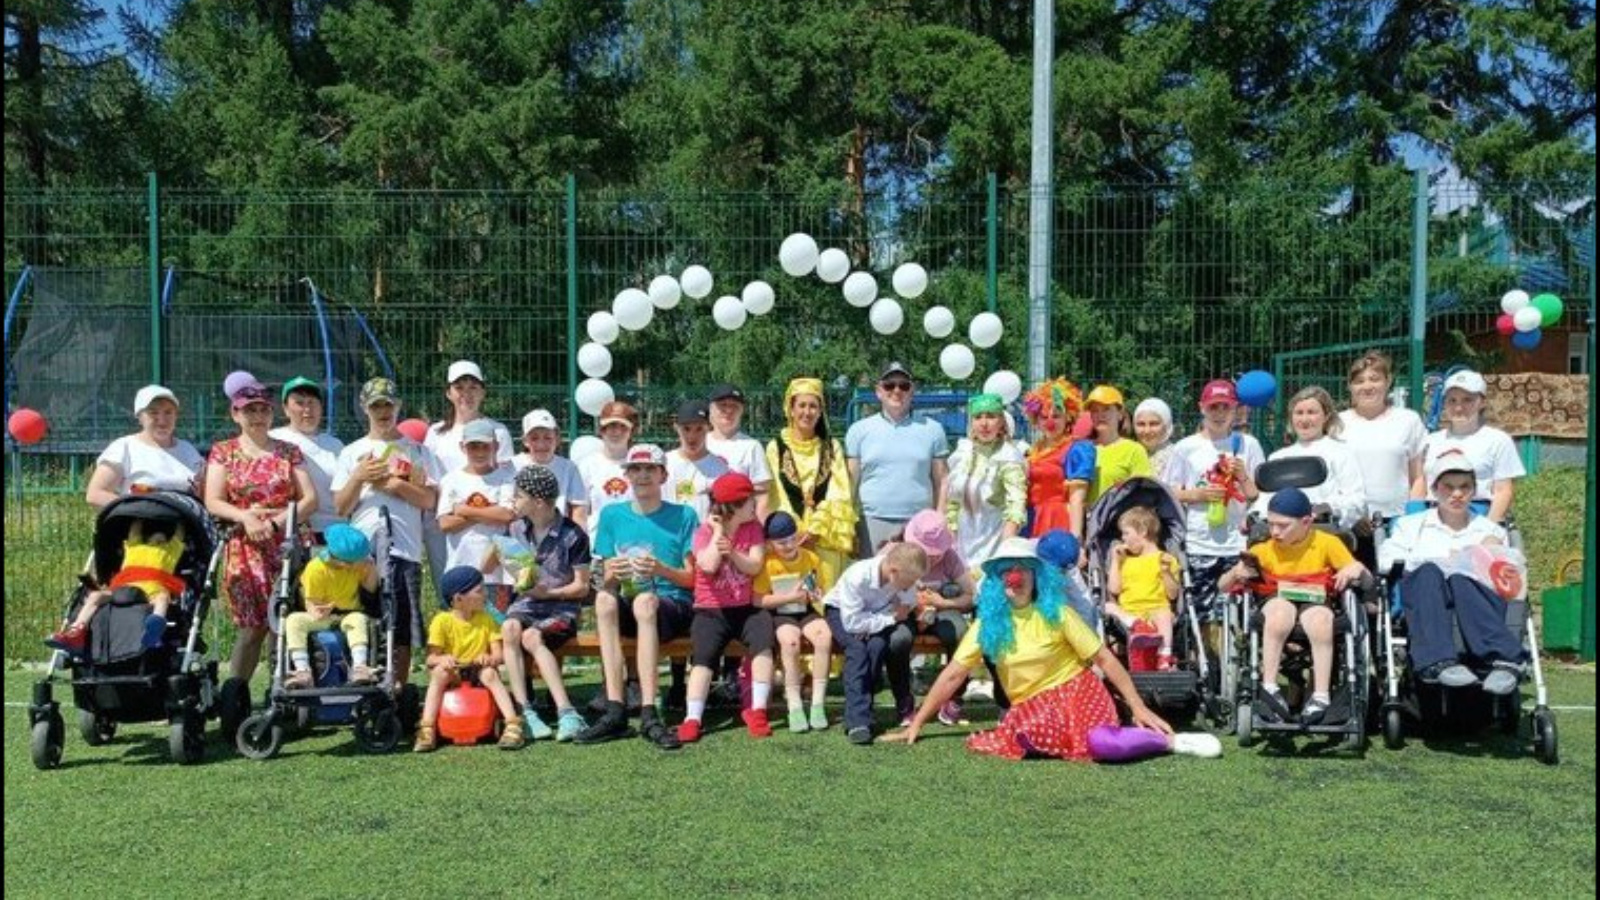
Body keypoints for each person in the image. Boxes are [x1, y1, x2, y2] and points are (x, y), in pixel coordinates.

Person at [883, 538, 1221, 762]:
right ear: (997, 580)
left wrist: (1138, 706)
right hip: (1031, 706)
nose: (1014, 579)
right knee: (1025, 737)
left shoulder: (1058, 613)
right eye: (1005, 573)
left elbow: (1103, 657)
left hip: (1077, 690)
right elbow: (953, 674)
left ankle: (1173, 742)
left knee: (1102, 745)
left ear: (1034, 577)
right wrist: (918, 724)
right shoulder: (986, 623)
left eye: (1021, 571)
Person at [574, 444, 697, 749]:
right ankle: (615, 709)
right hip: (633, 606)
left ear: (663, 475)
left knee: (645, 602)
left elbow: (693, 579)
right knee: (604, 600)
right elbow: (602, 581)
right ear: (627, 475)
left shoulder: (684, 514)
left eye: (650, 469)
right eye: (636, 470)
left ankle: (649, 713)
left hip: (672, 607)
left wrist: (661, 569)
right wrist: (612, 572)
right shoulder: (612, 515)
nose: (642, 476)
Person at [1379, 453, 1527, 694]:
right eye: (1448, 487)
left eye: (1464, 487)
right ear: (1435, 490)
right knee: (1428, 571)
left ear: (1473, 491)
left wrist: (1483, 554)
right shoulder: (1410, 526)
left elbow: (1508, 578)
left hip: (1475, 600)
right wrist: (1436, 560)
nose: (1456, 494)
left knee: (1462, 576)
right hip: (1428, 598)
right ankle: (1438, 661)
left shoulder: (1489, 531)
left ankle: (1503, 660)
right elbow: (1385, 561)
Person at [1219, 488, 1369, 726]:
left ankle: (1320, 696)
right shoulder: (1263, 549)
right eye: (1271, 524)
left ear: (1306, 522)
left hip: (1316, 600)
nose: (1275, 531)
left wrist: (1356, 568)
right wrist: (1235, 573)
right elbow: (1223, 587)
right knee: (1279, 613)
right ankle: (1269, 687)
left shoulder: (1327, 543)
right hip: (1276, 600)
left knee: (1321, 621)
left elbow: (1366, 578)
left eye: (1283, 525)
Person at [204, 375, 316, 684]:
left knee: (288, 621)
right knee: (252, 626)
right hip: (245, 546)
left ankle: (284, 690)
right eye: (249, 411)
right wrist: (246, 519)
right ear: (235, 414)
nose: (257, 417)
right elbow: (213, 500)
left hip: (287, 542)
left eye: (263, 410)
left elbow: (309, 499)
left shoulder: (289, 451)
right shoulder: (223, 451)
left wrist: (275, 523)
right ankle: (236, 695)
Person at [333, 377, 441, 691]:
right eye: (376, 405)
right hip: (361, 554)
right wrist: (358, 477)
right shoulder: (353, 452)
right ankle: (362, 681)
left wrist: (393, 485)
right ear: (365, 409)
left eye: (388, 404)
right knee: (362, 620)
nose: (383, 411)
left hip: (404, 549)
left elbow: (429, 500)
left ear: (398, 407)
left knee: (402, 624)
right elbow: (341, 507)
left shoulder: (418, 451)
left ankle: (397, 687)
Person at [1162, 379, 1264, 648]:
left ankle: (1238, 664)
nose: (1219, 413)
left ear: (1236, 411)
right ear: (1202, 409)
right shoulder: (1186, 447)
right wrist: (1197, 495)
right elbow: (1170, 492)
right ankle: (1206, 666)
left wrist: (1243, 477)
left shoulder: (1248, 445)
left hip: (1237, 542)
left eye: (1225, 407)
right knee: (1202, 611)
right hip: (1200, 541)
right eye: (1213, 407)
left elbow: (1257, 495)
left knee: (1240, 609)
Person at [497, 465, 592, 742]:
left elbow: (582, 587)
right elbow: (491, 565)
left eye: (519, 495)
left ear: (538, 501)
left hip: (560, 607)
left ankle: (567, 713)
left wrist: (547, 594)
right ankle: (524, 711)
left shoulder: (574, 535)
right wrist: (501, 554)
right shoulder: (514, 528)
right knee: (511, 628)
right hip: (526, 604)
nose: (513, 500)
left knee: (531, 636)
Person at [677, 473, 774, 742]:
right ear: (733, 506)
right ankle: (692, 718)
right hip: (710, 609)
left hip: (745, 608)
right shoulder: (703, 532)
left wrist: (731, 551)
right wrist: (718, 534)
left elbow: (754, 566)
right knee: (704, 658)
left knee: (764, 643)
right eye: (749, 500)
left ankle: (757, 710)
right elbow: (707, 566)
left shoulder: (754, 528)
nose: (755, 504)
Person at [423, 360, 515, 593]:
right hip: (445, 526)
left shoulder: (499, 431)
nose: (466, 394)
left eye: (473, 387)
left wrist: (467, 510)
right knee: (452, 591)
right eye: (459, 387)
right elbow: (432, 484)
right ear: (449, 393)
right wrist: (452, 516)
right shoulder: (435, 433)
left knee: (491, 591)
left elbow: (504, 483)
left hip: (488, 530)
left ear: (483, 392)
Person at [824, 542, 928, 745]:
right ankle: (857, 721)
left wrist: (883, 620)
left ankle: (865, 710)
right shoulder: (858, 576)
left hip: (876, 615)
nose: (913, 585)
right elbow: (853, 623)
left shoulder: (902, 578)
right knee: (857, 650)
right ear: (894, 571)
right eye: (910, 580)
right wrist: (890, 619)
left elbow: (906, 605)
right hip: (842, 612)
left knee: (877, 646)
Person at [413, 566, 523, 752]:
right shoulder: (442, 621)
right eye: (479, 591)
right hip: (454, 674)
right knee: (439, 673)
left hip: (478, 673)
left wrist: (488, 657)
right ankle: (427, 727)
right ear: (458, 599)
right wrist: (443, 659)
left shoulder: (486, 619)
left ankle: (513, 724)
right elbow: (431, 658)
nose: (485, 595)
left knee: (489, 674)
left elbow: (498, 654)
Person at [845, 361, 949, 555]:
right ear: (878, 391)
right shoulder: (858, 431)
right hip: (871, 522)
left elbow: (942, 480)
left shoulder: (933, 430)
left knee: (919, 584)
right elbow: (850, 482)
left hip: (919, 523)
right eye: (889, 385)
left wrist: (939, 518)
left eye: (904, 385)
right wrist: (847, 525)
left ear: (912, 390)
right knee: (875, 582)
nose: (897, 390)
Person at [764, 376, 857, 592]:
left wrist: (815, 529)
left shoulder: (831, 447)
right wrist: (793, 530)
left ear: (820, 410)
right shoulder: (775, 447)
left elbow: (839, 491)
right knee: (793, 598)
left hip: (824, 536)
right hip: (790, 540)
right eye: (802, 405)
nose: (807, 412)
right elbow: (776, 492)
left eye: (813, 406)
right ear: (791, 409)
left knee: (824, 595)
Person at [885, 510, 977, 727]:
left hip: (940, 608)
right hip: (903, 610)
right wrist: (908, 602)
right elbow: (878, 592)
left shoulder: (950, 557)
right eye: (928, 551)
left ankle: (954, 697)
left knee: (961, 632)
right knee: (898, 639)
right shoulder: (893, 552)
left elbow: (970, 596)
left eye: (938, 551)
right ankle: (904, 700)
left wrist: (943, 603)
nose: (934, 556)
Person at [46, 519, 186, 656]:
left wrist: (180, 518)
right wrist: (139, 514)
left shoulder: (169, 552)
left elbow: (179, 535)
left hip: (151, 590)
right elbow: (135, 530)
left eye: (163, 541)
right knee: (96, 595)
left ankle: (155, 628)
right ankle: (76, 632)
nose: (159, 542)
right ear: (147, 539)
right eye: (156, 540)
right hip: (123, 588)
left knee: (162, 598)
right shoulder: (135, 547)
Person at [753, 511, 831, 733]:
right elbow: (759, 600)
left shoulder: (810, 558)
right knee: (790, 642)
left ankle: (817, 704)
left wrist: (816, 594)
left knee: (824, 637)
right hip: (781, 613)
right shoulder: (768, 563)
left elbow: (819, 589)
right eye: (781, 542)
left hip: (805, 610)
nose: (788, 545)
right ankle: (794, 704)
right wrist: (789, 597)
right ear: (770, 543)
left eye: (792, 539)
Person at [1413, 369, 1524, 524]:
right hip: (1432, 519)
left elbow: (1503, 491)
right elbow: (1420, 485)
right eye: (1452, 400)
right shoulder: (1429, 441)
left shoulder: (1498, 441)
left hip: (1477, 517)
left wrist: (1488, 530)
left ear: (1482, 402)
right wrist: (1414, 525)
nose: (1459, 407)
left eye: (1467, 400)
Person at [1252, 386, 1366, 530]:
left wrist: (1328, 508)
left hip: (1325, 534)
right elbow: (1265, 500)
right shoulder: (1278, 457)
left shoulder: (1341, 453)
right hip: (1283, 537)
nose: (1304, 419)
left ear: (1326, 416)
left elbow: (1356, 499)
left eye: (1312, 412)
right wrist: (1254, 515)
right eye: (1299, 413)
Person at [282, 524, 381, 689]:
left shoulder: (362, 567)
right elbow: (310, 603)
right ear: (344, 562)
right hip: (321, 616)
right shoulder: (316, 569)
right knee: (293, 621)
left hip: (349, 614)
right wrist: (317, 611)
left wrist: (371, 571)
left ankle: (360, 667)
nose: (363, 562)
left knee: (358, 620)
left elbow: (371, 595)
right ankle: (302, 671)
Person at [436, 419, 518, 611]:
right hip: (460, 570)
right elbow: (445, 524)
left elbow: (506, 515)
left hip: (497, 573)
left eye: (485, 446)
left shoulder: (506, 479)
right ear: (462, 447)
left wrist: (464, 510)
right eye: (473, 446)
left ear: (496, 447)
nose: (480, 452)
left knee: (496, 627)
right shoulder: (451, 480)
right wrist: (489, 513)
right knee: (465, 629)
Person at [1337, 350, 1426, 525]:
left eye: (1375, 379)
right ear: (1350, 386)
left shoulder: (1408, 420)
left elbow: (1418, 476)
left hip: (1398, 518)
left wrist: (1413, 517)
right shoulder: (1337, 423)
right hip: (1351, 522)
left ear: (1388, 382)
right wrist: (1353, 516)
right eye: (1359, 381)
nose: (1367, 386)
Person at [84, 385, 204, 508]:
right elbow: (95, 494)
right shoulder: (124, 448)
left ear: (176, 416)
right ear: (140, 417)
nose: (162, 421)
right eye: (153, 413)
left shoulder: (188, 450)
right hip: (140, 522)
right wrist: (138, 508)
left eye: (168, 412)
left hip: (186, 522)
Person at [942, 392, 1027, 568]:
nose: (984, 423)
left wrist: (1006, 547)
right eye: (978, 417)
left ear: (1001, 422)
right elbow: (953, 501)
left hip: (994, 536)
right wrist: (950, 535)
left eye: (991, 416)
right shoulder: (962, 453)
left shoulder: (1009, 456)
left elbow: (1016, 505)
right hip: (962, 539)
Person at [1104, 507, 1182, 671]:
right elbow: (1114, 589)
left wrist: (1166, 573)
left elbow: (1173, 595)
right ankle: (1137, 624)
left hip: (1156, 611)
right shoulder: (1125, 561)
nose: (1122, 539)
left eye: (1126, 533)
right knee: (1108, 606)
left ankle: (1164, 654)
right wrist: (1115, 562)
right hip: (1129, 613)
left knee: (1165, 614)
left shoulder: (1165, 559)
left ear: (1143, 532)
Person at [269, 376, 346, 541]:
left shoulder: (335, 444)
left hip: (337, 530)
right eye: (299, 403)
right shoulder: (275, 439)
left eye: (312, 402)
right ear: (286, 409)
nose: (307, 409)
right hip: (295, 530)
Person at [1021, 378, 1095, 539]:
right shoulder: (1031, 452)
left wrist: (1075, 538)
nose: (1050, 422)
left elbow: (1077, 499)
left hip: (1058, 520)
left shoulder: (1077, 449)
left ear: (1068, 417)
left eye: (1056, 416)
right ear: (1036, 420)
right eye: (1044, 417)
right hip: (1031, 520)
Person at [511, 408, 589, 531]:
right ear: (525, 441)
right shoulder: (512, 465)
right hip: (520, 537)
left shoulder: (569, 468)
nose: (541, 445)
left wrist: (579, 542)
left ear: (557, 439)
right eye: (534, 438)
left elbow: (578, 510)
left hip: (557, 539)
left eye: (548, 438)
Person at [705, 384, 774, 520]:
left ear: (742, 411)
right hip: (703, 530)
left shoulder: (752, 447)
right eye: (722, 405)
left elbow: (761, 496)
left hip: (741, 530)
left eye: (734, 406)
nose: (728, 410)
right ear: (711, 409)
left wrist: (761, 533)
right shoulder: (700, 444)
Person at [576, 400, 640, 536]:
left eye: (623, 426)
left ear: (631, 431)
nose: (616, 431)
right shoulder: (587, 466)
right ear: (601, 430)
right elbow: (580, 513)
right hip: (597, 544)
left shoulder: (641, 464)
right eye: (611, 426)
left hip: (635, 542)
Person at [1085, 385, 1152, 504]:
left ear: (1120, 414)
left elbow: (1145, 492)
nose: (1100, 415)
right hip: (1087, 519)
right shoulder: (1082, 449)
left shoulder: (1134, 450)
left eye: (1106, 409)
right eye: (1095, 410)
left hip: (1119, 519)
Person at [665, 399, 730, 521]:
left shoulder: (720, 469)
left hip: (704, 537)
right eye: (686, 429)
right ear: (676, 428)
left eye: (699, 429)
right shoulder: (664, 463)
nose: (692, 437)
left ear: (709, 428)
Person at [1132, 397, 1177, 478]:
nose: (1147, 431)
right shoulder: (1129, 453)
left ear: (1166, 425)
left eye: (1154, 424)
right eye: (1141, 424)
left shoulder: (1177, 457)